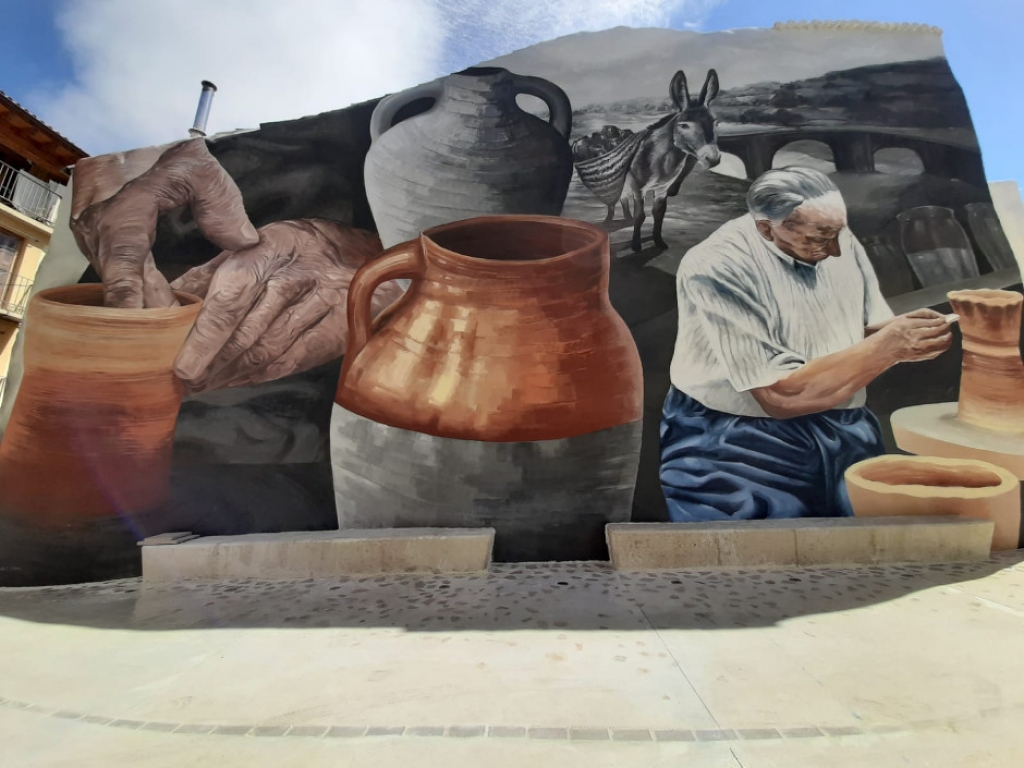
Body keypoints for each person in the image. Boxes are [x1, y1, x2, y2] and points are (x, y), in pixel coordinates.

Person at [660, 167, 954, 521]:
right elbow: (780, 395)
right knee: (754, 559)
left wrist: (909, 334)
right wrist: (889, 347)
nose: (834, 250)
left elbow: (864, 330)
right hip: (735, 441)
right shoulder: (715, 265)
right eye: (819, 239)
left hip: (844, 422)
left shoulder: (836, 238)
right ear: (766, 229)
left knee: (864, 548)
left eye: (837, 233)